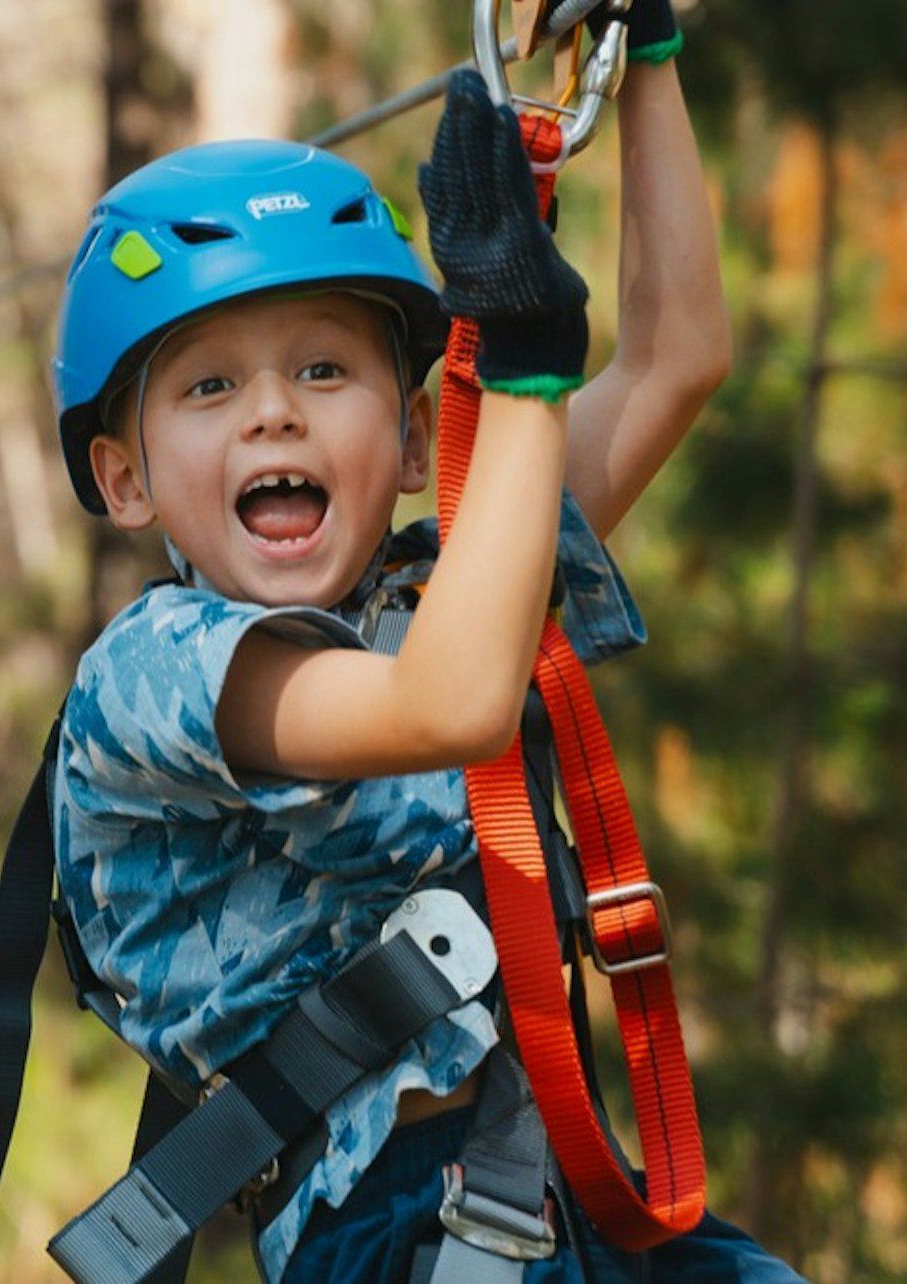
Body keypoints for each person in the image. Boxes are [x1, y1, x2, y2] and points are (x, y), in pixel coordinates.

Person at [48, 5, 801, 1281]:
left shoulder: (445, 588)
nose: (274, 415)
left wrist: (647, 60)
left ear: (408, 445)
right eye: (210, 387)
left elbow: (677, 357)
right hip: (387, 1237)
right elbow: (450, 705)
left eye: (325, 373)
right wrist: (518, 371)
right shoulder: (154, 672)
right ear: (123, 479)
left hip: (561, 1191)